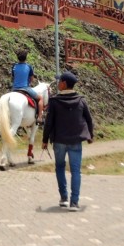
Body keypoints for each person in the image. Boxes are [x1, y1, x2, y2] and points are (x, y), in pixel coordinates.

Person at [41, 71, 94, 211]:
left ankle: (64, 198)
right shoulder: (81, 100)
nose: (58, 84)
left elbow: (49, 122)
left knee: (60, 167)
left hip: (59, 141)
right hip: (76, 141)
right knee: (76, 171)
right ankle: (74, 203)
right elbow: (89, 120)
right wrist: (90, 136)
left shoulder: (54, 101)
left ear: (64, 84)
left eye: (59, 82)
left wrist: (45, 140)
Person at [10, 49, 44, 121]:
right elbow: (31, 79)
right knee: (40, 98)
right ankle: (40, 117)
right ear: (26, 57)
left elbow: (12, 78)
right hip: (25, 88)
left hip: (15, 89)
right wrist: (28, 83)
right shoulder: (29, 67)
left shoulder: (14, 66)